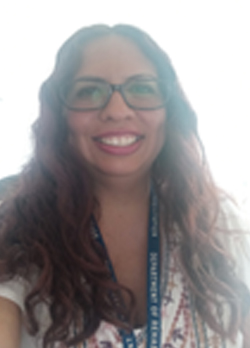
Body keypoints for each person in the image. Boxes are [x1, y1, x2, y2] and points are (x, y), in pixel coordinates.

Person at [0, 24, 249, 348]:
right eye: (89, 91)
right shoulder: (17, 228)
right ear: (61, 116)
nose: (117, 111)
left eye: (142, 89)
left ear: (168, 109)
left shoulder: (217, 220)